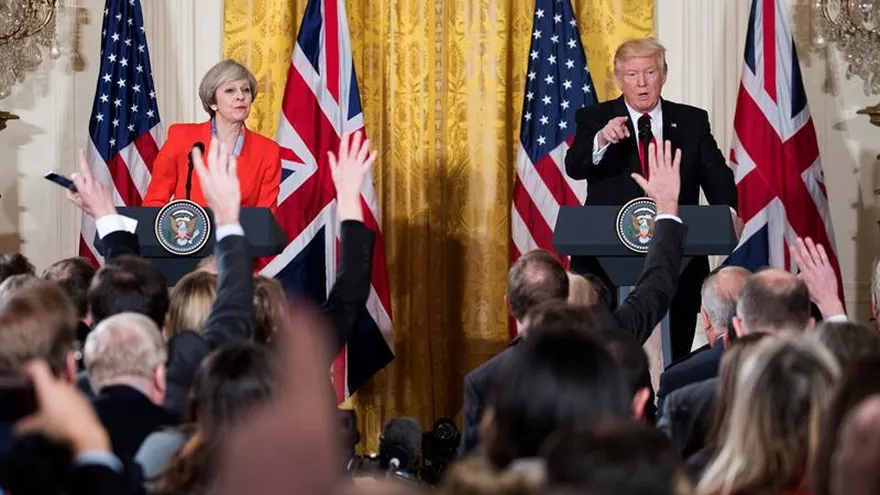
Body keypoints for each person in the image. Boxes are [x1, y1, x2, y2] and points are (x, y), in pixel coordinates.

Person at [564, 37, 740, 362]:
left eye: (649, 72)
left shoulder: (691, 121)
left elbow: (716, 173)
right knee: (607, 355)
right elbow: (574, 166)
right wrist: (601, 138)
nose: (641, 83)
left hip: (678, 256)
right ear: (619, 79)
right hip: (604, 263)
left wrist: (728, 211)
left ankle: (671, 405)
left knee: (677, 352)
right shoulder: (595, 118)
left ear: (664, 75)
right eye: (631, 75)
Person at [143, 59, 281, 211]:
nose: (240, 96)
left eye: (246, 90)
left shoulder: (268, 151)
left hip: (240, 234)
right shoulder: (181, 137)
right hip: (185, 232)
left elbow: (265, 218)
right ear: (212, 102)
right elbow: (154, 201)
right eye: (230, 91)